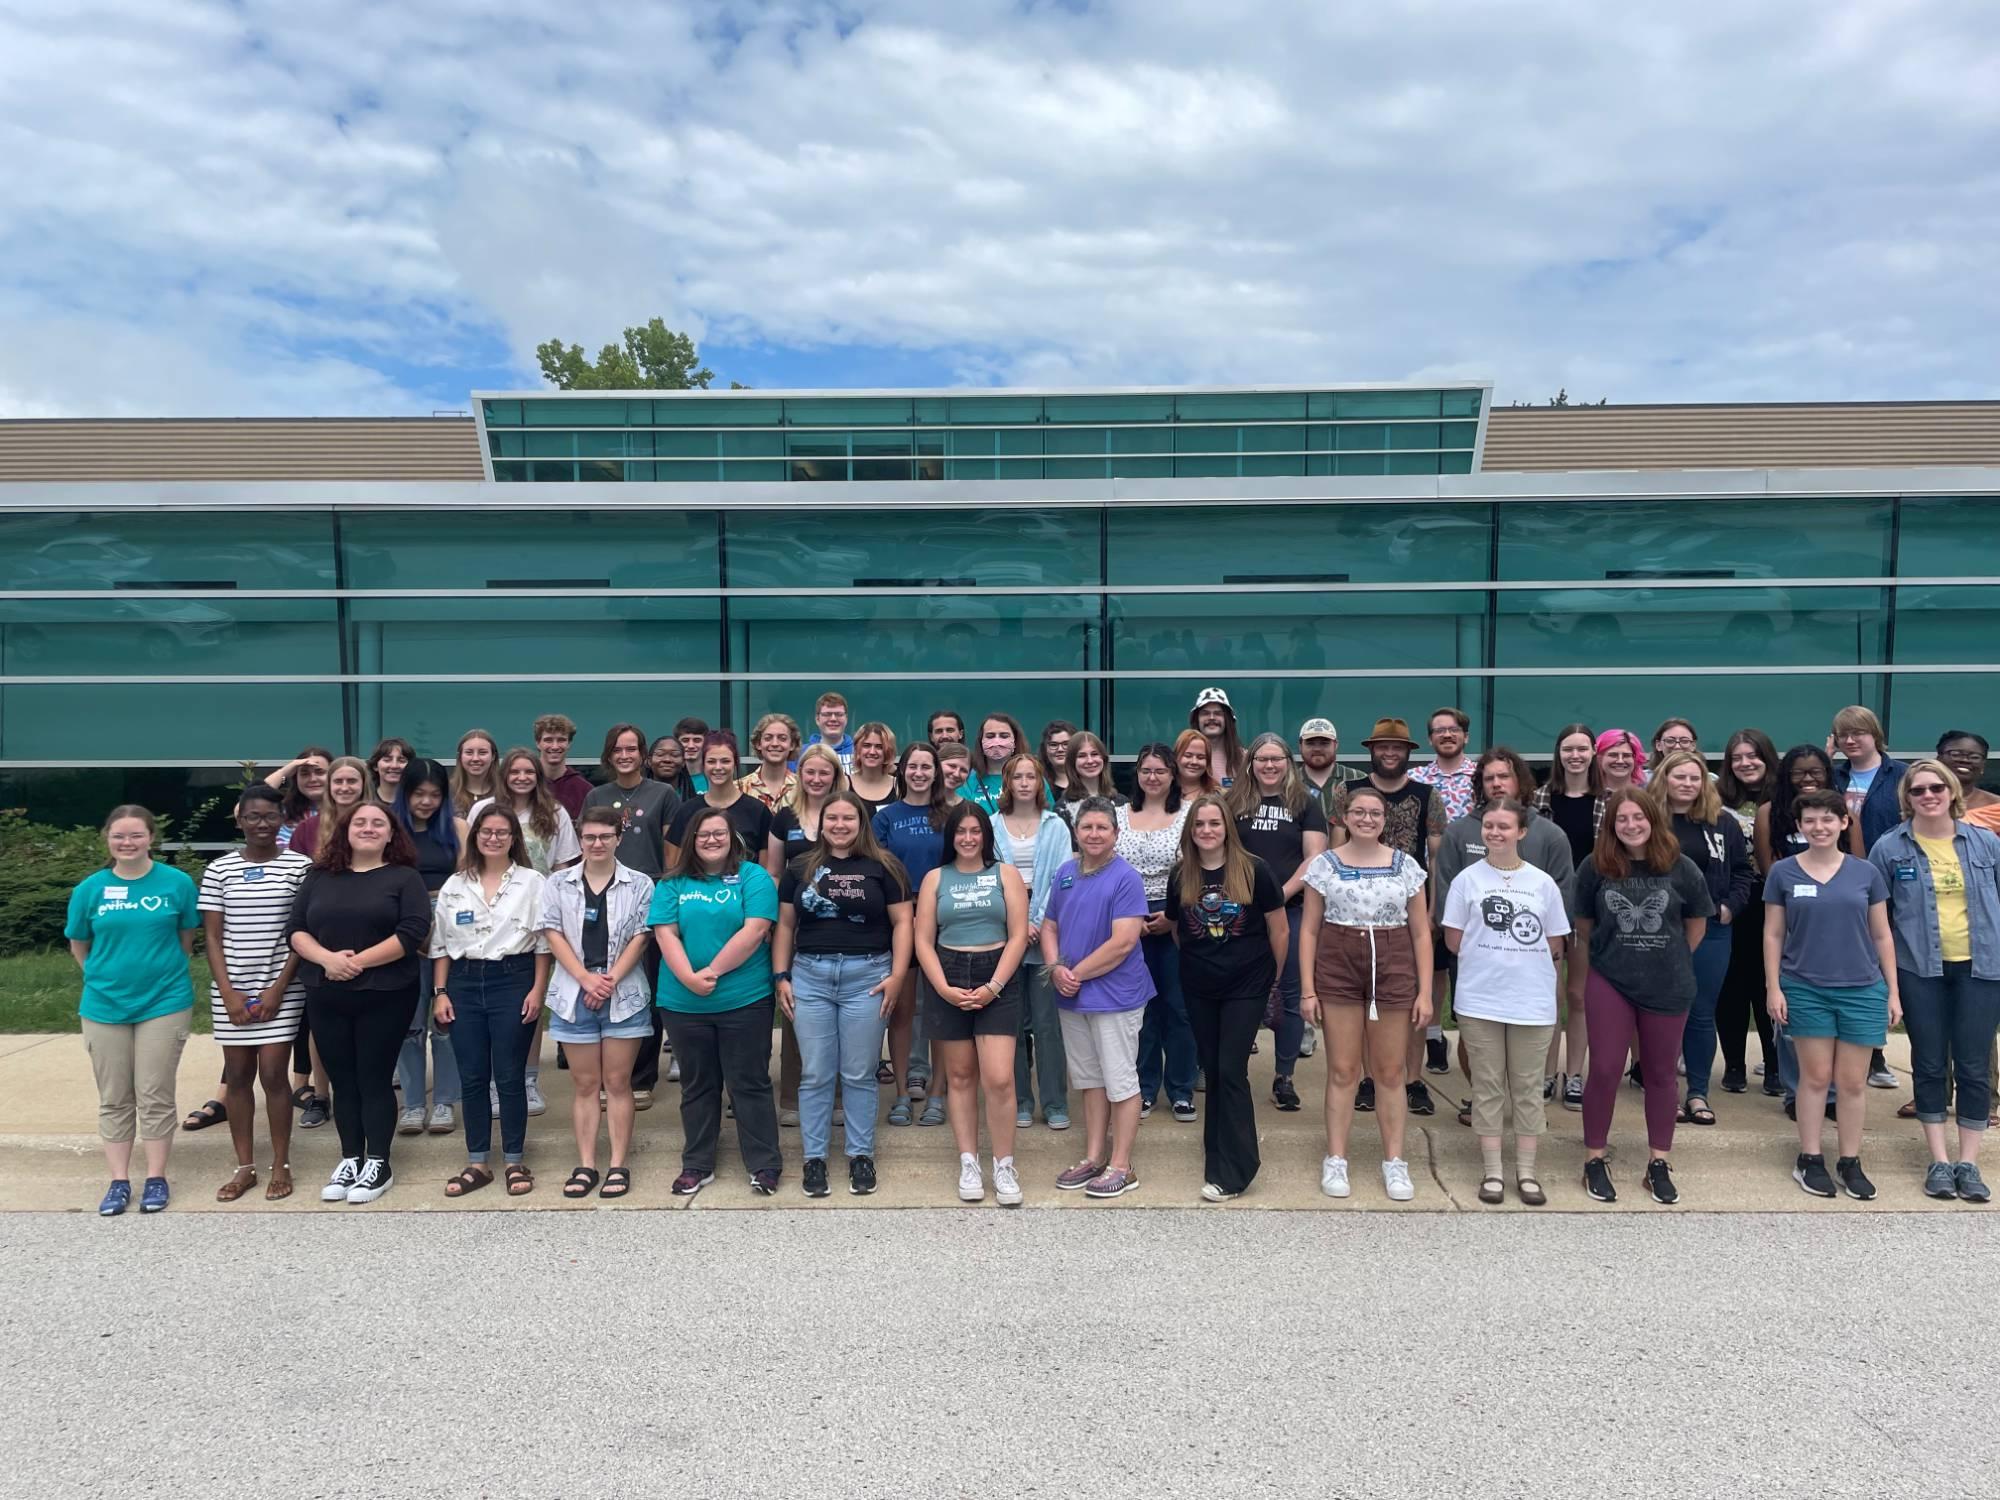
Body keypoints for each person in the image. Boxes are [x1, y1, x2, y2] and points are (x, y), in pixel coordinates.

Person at [287, 801, 432, 1206]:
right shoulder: (318, 876)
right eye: (360, 823)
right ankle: (351, 1157)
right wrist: (327, 960)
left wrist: (355, 963)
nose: (368, 828)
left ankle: (379, 1163)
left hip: (385, 992)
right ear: (345, 831)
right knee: (342, 1078)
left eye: (378, 824)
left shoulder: (404, 878)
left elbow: (412, 932)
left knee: (373, 1076)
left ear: (391, 834)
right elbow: (296, 929)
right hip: (325, 990)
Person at [1573, 789, 1714, 1205]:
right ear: (1610, 826)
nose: (1630, 825)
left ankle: (1658, 1163)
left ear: (1653, 819)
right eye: (1621, 820)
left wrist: (1666, 958)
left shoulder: (1681, 867)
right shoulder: (1595, 867)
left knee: (1660, 1073)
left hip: (1668, 982)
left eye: (1638, 817)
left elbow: (1696, 926)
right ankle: (1595, 1158)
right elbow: (1584, 924)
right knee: (1604, 1068)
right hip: (1611, 979)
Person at [1758, 785, 1897, 1200]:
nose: (1819, 827)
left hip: (1861, 988)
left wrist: (1892, 991)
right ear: (1799, 827)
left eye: (1827, 819)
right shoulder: (1784, 872)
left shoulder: (1865, 872)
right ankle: (1810, 1157)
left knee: (1853, 1083)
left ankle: (1850, 1161)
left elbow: (1881, 934)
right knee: (1815, 1078)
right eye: (1810, 820)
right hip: (1805, 988)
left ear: (1843, 822)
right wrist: (1773, 987)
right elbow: (1773, 933)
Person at [1869, 763, 2000, 1201]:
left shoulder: (1984, 842)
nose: (1928, 794)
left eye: (1936, 787)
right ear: (1907, 797)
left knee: (1974, 1065)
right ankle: (1940, 1160)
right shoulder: (1889, 848)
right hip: (1919, 969)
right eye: (1918, 789)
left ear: (1951, 791)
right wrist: (1885, 982)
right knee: (1928, 1063)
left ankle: (1969, 1162)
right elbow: (1877, 918)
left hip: (1980, 968)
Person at [773, 792, 913, 1198]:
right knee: (815, 1071)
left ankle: (860, 1155)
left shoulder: (885, 866)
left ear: (862, 822)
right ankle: (813, 1158)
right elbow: (784, 926)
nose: (839, 824)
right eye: (832, 818)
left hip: (867, 976)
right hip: (810, 976)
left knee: (858, 1071)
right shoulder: (801, 866)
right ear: (822, 824)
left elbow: (904, 922)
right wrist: (781, 975)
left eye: (848, 818)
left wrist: (898, 976)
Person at [1300, 784, 1433, 1201]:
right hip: (1339, 960)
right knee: (1342, 1069)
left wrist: (1425, 991)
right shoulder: (1324, 865)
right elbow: (1308, 929)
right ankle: (1336, 1158)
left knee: (1390, 1071)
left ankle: (1394, 1161)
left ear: (1384, 819)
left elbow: (1420, 933)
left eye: (1375, 813)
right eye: (1359, 812)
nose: (1367, 819)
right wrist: (1308, 989)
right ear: (1344, 816)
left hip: (1392, 962)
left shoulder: (1405, 866)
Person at [66, 805, 200, 1215]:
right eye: (119, 836)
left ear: (150, 838)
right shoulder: (90, 889)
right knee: (114, 1097)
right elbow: (79, 945)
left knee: (154, 1093)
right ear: (107, 839)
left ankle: (156, 1177)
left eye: (135, 835)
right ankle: (119, 1181)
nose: (127, 843)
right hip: (103, 1006)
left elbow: (185, 939)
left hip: (164, 1002)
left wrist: (154, 976)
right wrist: (104, 979)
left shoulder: (175, 883)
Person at [1441, 795, 1571, 1205]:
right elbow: (1454, 938)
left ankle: (1527, 1173)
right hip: (1481, 1000)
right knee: (1488, 1086)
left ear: (1522, 832)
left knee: (1529, 1088)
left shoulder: (1542, 883)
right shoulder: (1467, 881)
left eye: (1504, 826)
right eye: (1489, 826)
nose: (1495, 833)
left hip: (1531, 1003)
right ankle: (1493, 1172)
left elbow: (1555, 942)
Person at [651, 806, 784, 1198]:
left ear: (732, 838)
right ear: (691, 839)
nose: (711, 840)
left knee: (750, 1082)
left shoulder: (753, 877)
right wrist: (691, 979)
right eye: (703, 834)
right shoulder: (672, 883)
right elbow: (665, 935)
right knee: (697, 1085)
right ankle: (697, 1163)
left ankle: (764, 1164)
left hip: (744, 999)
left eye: (719, 833)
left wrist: (712, 971)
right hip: (683, 1002)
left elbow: (757, 928)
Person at [1169, 794, 1287, 1201]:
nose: (1206, 831)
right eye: (1199, 824)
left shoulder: (1256, 870)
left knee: (1231, 1069)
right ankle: (1215, 1155)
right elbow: (1177, 930)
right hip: (1200, 985)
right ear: (1191, 831)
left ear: (1226, 828)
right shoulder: (1181, 875)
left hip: (1247, 985)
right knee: (1214, 1070)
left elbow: (1280, 929)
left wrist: (1270, 977)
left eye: (1214, 823)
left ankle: (1237, 1171)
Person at [197, 785, 311, 1202]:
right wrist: (228, 992)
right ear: (240, 820)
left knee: (274, 1075)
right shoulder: (219, 869)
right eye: (253, 817)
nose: (262, 824)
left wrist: (278, 989)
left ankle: (281, 1162)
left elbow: (303, 932)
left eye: (270, 817)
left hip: (281, 987)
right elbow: (211, 936)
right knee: (239, 1076)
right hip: (232, 988)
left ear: (283, 820)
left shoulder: (300, 867)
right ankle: (244, 1166)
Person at [431, 806, 550, 1199]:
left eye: (502, 832)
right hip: (463, 983)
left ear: (514, 837)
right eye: (486, 832)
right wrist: (440, 992)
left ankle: (515, 1160)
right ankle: (478, 1161)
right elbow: (441, 945)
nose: (494, 838)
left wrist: (537, 990)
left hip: (512, 980)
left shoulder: (533, 882)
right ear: (475, 836)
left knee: (511, 1075)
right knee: (473, 1076)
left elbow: (543, 942)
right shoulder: (455, 885)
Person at [538, 804, 656, 1200]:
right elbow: (552, 934)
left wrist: (608, 980)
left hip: (622, 994)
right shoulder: (558, 883)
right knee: (585, 1084)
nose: (597, 843)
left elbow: (642, 936)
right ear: (580, 839)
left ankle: (618, 1164)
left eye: (605, 836)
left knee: (618, 1082)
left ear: (618, 838)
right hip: (574, 993)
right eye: (589, 836)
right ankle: (587, 1164)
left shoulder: (640, 883)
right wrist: (586, 978)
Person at [915, 801, 1031, 1205]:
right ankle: (969, 1161)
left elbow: (1018, 935)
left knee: (999, 1077)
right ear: (952, 837)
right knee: (960, 1076)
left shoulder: (1006, 875)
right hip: (948, 972)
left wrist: (995, 985)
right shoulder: (935, 878)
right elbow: (922, 939)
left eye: (975, 831)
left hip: (996, 972)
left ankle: (1004, 1164)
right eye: (960, 832)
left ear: (986, 836)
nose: (967, 838)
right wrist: (943, 988)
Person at [1333, 717, 1446, 1115]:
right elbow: (1333, 852)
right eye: (1383, 746)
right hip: (1356, 912)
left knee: (1409, 1000)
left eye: (1397, 747)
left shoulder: (1427, 795)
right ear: (1371, 751)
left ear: (1408, 752)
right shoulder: (1346, 793)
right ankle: (1368, 1077)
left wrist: (1432, 911)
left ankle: (1413, 1079)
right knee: (1362, 999)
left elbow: (1435, 856)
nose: (1390, 753)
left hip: (1406, 909)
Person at [1043, 797, 1155, 1199]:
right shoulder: (1066, 873)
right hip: (1073, 994)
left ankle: (1122, 1165)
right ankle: (1093, 1157)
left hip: (1115, 996)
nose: (1093, 834)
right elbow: (1049, 924)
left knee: (1120, 1080)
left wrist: (1075, 973)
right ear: (1076, 832)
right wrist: (1055, 967)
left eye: (1101, 828)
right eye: (1086, 827)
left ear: (1116, 834)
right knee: (1089, 1080)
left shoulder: (1126, 878)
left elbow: (1124, 942)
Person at [1652, 749, 1756, 1130]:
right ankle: (1662, 1093)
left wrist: (1730, 907)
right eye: (1680, 777)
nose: (1688, 784)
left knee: (1700, 1012)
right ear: (1664, 778)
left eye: (1695, 778)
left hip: (1712, 930)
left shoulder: (1721, 822)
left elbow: (1744, 871)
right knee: (1662, 1013)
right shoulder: (1648, 820)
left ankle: (1697, 1092)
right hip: (1656, 932)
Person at [1757, 744, 1863, 1115]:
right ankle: (1795, 1091)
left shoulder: (1843, 813)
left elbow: (1859, 866)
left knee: (1838, 1017)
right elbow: (1768, 867)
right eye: (1799, 772)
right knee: (1793, 1015)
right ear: (1786, 776)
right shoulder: (1770, 813)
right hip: (1792, 919)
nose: (1807, 778)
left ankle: (1831, 1094)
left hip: (1840, 925)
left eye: (1815, 771)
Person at [1229, 732, 1329, 1113]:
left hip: (1290, 910)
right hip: (1239, 912)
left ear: (1288, 762)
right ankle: (1233, 1071)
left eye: (1276, 758)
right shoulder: (1233, 802)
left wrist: (1278, 895)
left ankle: (1283, 1077)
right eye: (1261, 759)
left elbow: (1314, 858)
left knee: (1288, 996)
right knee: (1238, 994)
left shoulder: (1305, 802)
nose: (1269, 766)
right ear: (1250, 764)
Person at [583, 723, 680, 1104]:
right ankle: (609, 1076)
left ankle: (642, 1077)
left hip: (649, 898)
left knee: (647, 987)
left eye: (632, 749)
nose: (625, 755)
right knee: (605, 982)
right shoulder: (596, 795)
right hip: (602, 898)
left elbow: (671, 855)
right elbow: (588, 845)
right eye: (617, 749)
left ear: (643, 754)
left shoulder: (663, 793)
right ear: (608, 755)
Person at [765, 743, 849, 1124]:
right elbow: (774, 872)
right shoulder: (784, 817)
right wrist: (773, 922)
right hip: (796, 922)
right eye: (810, 772)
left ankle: (836, 1099)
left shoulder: (849, 812)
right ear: (800, 775)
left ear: (835, 775)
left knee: (842, 1014)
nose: (817, 780)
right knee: (797, 1006)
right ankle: (794, 1098)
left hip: (842, 922)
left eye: (824, 773)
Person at [995, 752, 1076, 1132]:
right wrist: (1018, 922)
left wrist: (1035, 921)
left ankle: (1055, 1102)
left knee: (1047, 1024)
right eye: (1017, 777)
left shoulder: (1056, 825)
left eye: (1031, 776)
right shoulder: (992, 825)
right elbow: (992, 876)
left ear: (1040, 782)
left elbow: (1062, 876)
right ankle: (1021, 1101)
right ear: (1007, 783)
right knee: (1011, 1024)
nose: (1025, 783)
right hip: (1004, 935)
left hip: (1046, 933)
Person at [873, 742, 952, 1126]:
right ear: (901, 772)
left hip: (944, 921)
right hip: (899, 919)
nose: (919, 773)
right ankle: (903, 1092)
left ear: (936, 772)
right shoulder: (886, 817)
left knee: (940, 1011)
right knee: (901, 1010)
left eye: (926, 766)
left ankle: (938, 1093)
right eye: (912, 766)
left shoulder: (951, 816)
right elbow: (878, 869)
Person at [1118, 744, 1197, 1122]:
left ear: (1173, 776)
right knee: (1142, 1011)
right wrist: (1130, 919)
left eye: (1161, 771)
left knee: (1179, 1009)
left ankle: (1181, 1090)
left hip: (1177, 921)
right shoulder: (1119, 816)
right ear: (1137, 774)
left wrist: (1174, 917)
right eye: (1146, 770)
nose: (1153, 777)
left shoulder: (1188, 816)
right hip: (1128, 925)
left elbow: (1198, 871)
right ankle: (1145, 1088)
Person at [391, 759, 466, 1138]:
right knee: (407, 1023)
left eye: (434, 795)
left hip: (448, 925)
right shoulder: (389, 829)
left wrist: (443, 929)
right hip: (400, 927)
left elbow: (468, 882)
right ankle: (414, 1103)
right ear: (404, 794)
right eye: (418, 794)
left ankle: (444, 1102)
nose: (426, 802)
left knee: (445, 1020)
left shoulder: (456, 828)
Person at [1531, 722, 1601, 1111]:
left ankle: (1574, 1074)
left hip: (1590, 909)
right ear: (1558, 754)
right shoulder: (1540, 797)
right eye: (1568, 749)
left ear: (1593, 753)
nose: (1575, 755)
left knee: (1578, 995)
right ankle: (1545, 1073)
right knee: (1549, 995)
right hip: (1546, 909)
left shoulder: (1608, 799)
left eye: (1582, 749)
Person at [1715, 729, 1781, 1095]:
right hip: (1732, 900)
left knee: (1768, 984)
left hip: (1776, 901)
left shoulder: (1784, 797)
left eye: (1752, 755)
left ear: (1767, 757)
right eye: (1737, 757)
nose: (1745, 763)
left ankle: (1775, 1066)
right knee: (1731, 986)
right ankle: (1734, 1065)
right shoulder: (1717, 799)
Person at [666, 731, 773, 865]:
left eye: (725, 761)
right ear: (703, 765)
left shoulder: (758, 811)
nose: (718, 767)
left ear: (735, 763)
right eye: (711, 761)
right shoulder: (687, 811)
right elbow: (673, 868)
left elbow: (766, 872)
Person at [473, 748, 581, 875]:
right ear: (504, 776)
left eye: (529, 772)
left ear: (538, 776)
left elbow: (562, 865)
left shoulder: (556, 812)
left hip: (541, 892)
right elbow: (471, 856)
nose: (522, 777)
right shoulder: (481, 809)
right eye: (514, 772)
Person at [1831, 704, 1906, 852]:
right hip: (1841, 863)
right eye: (1843, 735)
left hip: (1890, 862)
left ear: (1875, 734)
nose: (1850, 741)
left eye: (1857, 733)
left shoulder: (1904, 774)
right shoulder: (1832, 776)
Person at [288, 755, 372, 860]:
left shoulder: (378, 826)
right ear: (329, 785)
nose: (344, 788)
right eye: (338, 781)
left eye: (351, 781)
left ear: (363, 784)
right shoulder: (306, 829)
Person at [1411, 706, 1477, 822]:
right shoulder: (1413, 778)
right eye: (1439, 730)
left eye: (1454, 729)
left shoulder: (1484, 775)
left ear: (1466, 737)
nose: (1447, 735)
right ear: (1430, 739)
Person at [1297, 717, 1365, 826]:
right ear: (1300, 746)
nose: (1317, 749)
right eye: (1310, 743)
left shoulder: (1358, 779)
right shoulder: (1287, 782)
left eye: (1324, 743)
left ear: (1335, 745)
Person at [961, 713, 1033, 813]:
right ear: (981, 742)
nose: (997, 742)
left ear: (1015, 742)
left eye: (1004, 736)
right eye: (990, 736)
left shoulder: (1033, 777)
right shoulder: (966, 781)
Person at [264, 745, 332, 849]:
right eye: (305, 774)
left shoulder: (347, 812)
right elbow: (244, 807)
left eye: (320, 772)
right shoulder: (282, 812)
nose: (312, 779)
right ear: (296, 779)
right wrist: (284, 772)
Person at [1938, 730, 2000, 834]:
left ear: (1983, 765)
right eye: (1955, 754)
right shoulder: (1921, 801)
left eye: (1974, 757)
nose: (1965, 760)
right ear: (1939, 759)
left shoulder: (1996, 807)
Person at [534, 712, 594, 819]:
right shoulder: (526, 784)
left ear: (569, 743)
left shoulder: (585, 790)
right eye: (548, 740)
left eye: (561, 740)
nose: (555, 746)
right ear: (538, 743)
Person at [738, 712, 801, 810]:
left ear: (792, 745)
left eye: (782, 738)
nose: (775, 743)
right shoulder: (739, 789)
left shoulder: (804, 788)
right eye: (768, 738)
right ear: (758, 744)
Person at [1189, 687, 1248, 789]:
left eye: (1218, 713)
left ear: (1228, 720)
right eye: (1205, 713)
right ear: (1196, 719)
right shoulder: (1185, 758)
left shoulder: (1244, 758)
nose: (1211, 717)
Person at [1061, 731, 1124, 808]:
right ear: (1072, 762)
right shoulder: (1063, 807)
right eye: (1082, 756)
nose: (1090, 761)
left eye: (1094, 754)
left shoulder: (1122, 803)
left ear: (1104, 759)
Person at [848, 722, 899, 813]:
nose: (872, 752)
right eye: (866, 745)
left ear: (888, 752)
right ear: (857, 749)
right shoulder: (844, 784)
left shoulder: (899, 786)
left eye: (879, 747)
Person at [450, 728, 500, 816]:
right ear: (460, 756)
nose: (475, 758)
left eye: (482, 752)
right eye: (469, 752)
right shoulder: (446, 791)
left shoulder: (504, 792)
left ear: (493, 756)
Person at [803, 691, 855, 770]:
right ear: (817, 719)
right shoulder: (802, 753)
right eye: (827, 714)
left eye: (839, 714)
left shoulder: (859, 753)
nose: (833, 719)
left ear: (846, 718)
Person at [1172, 728, 1221, 804]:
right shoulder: (1162, 791)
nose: (1194, 762)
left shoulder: (1219, 795)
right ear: (1175, 757)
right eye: (1188, 756)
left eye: (1200, 757)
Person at [650, 734, 698, 799]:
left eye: (675, 755)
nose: (667, 759)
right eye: (660, 754)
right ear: (649, 761)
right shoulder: (636, 796)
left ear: (683, 762)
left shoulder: (694, 802)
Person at [1039, 720, 1077, 802]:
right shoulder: (1038, 782)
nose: (1060, 749)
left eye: (1066, 744)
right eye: (1053, 745)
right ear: (1045, 749)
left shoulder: (1088, 780)